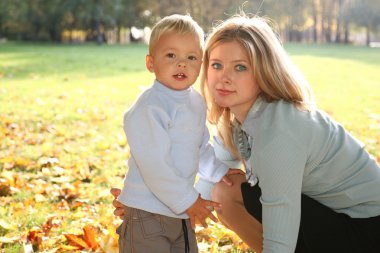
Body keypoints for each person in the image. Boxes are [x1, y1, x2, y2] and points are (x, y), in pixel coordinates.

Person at [113, 14, 380, 253]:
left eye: (240, 67)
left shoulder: (281, 131)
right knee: (226, 187)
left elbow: (281, 212)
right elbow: (209, 180)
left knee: (227, 195)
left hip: (366, 231)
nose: (224, 77)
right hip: (334, 216)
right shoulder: (240, 119)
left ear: (263, 71)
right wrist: (148, 205)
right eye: (216, 65)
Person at [116, 14, 237, 253]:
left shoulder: (195, 102)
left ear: (200, 64)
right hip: (147, 212)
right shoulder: (150, 108)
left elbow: (199, 147)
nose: (182, 64)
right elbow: (154, 165)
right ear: (151, 63)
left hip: (180, 212)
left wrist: (218, 170)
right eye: (171, 55)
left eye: (191, 57)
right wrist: (189, 201)